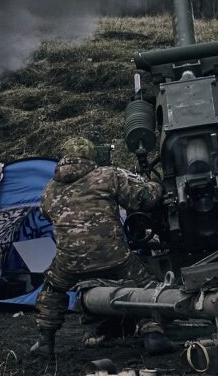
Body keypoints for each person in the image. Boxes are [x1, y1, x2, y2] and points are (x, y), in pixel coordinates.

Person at [31, 136, 173, 357]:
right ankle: (153, 335)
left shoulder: (50, 188)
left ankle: (45, 341)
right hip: (113, 256)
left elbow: (46, 214)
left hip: (69, 261)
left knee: (52, 289)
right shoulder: (108, 175)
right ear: (91, 155)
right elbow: (142, 200)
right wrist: (156, 186)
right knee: (145, 284)